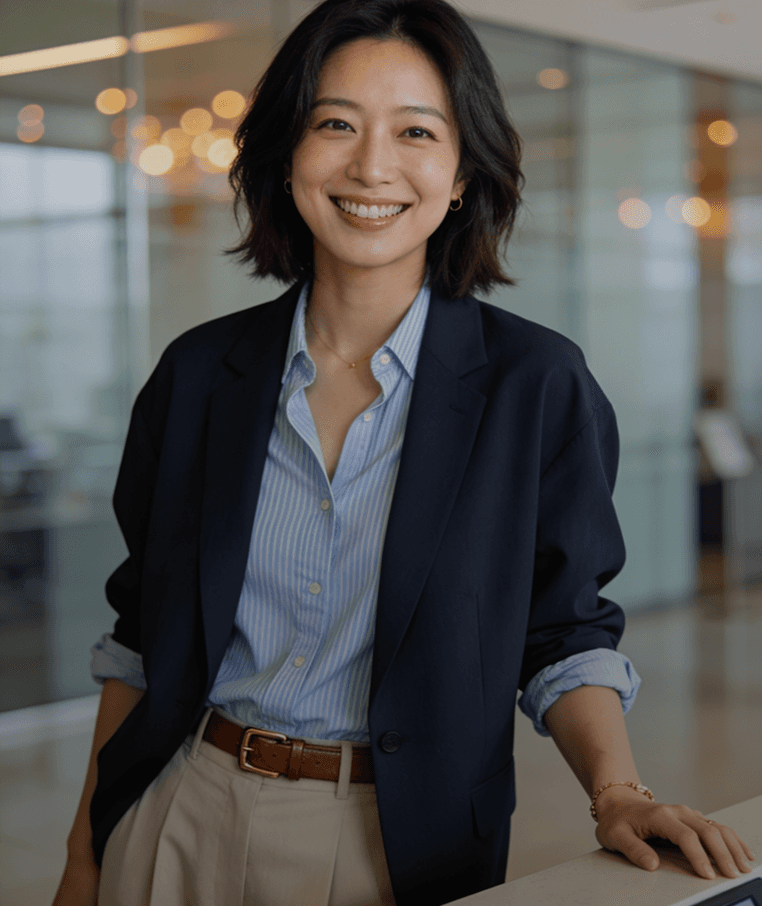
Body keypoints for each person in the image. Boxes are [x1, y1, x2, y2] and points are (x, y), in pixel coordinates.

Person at [53, 1, 755, 904]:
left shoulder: (535, 384)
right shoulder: (198, 374)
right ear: (288, 155)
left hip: (392, 842)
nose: (371, 165)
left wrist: (616, 794)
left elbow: (564, 629)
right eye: (334, 123)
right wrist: (85, 854)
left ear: (463, 173)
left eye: (416, 130)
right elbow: (140, 638)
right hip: (178, 809)